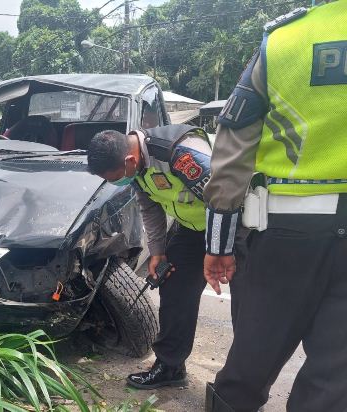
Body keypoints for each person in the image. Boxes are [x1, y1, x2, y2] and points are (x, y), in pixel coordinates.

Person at [202, 3, 347, 411]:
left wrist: (219, 244)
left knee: (250, 363)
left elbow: (233, 149)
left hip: (287, 231)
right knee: (335, 381)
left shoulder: (285, 40)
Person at [88, 124, 222, 389]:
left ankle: (243, 384)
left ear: (129, 160)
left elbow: (223, 201)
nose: (117, 183)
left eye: (116, 177)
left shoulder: (181, 154)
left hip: (236, 229)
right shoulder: (135, 168)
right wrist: (158, 251)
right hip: (192, 228)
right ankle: (170, 367)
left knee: (248, 303)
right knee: (174, 290)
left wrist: (217, 249)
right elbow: (150, 207)